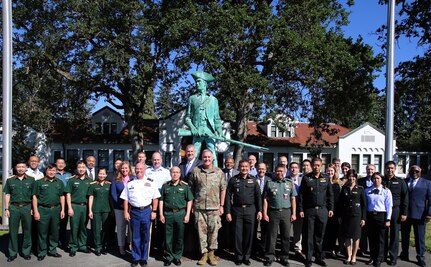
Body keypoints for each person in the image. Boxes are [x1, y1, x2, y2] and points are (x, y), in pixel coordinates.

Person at [189, 149, 226, 266]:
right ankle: (204, 254)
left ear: (213, 158)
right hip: (199, 207)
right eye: (205, 157)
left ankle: (212, 253)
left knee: (214, 231)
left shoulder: (219, 172)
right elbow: (190, 189)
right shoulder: (196, 171)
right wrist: (192, 205)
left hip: (214, 207)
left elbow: (223, 189)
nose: (207, 159)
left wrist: (222, 205)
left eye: (209, 157)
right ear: (202, 157)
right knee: (201, 232)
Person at [121, 163, 161, 267]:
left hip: (147, 211)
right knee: (135, 236)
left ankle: (143, 258)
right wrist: (126, 211)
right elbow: (125, 199)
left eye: (141, 168)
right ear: (135, 170)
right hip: (134, 211)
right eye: (137, 169)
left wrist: (154, 211)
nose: (139, 170)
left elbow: (155, 197)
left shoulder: (151, 182)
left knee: (146, 236)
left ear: (144, 170)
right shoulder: (130, 183)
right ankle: (135, 258)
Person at [225, 160, 262, 265]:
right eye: (242, 166)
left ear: (249, 168)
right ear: (239, 168)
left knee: (249, 235)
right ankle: (238, 256)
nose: (244, 168)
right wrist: (228, 212)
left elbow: (258, 196)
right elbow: (228, 197)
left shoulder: (254, 180)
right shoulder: (233, 180)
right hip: (237, 210)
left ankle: (246, 256)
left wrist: (259, 210)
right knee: (237, 235)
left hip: (251, 210)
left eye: (246, 166)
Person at [298, 157, 334, 267]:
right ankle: (308, 258)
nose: (316, 167)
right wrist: (301, 209)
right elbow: (301, 195)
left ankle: (318, 257)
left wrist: (331, 208)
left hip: (322, 210)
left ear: (321, 165)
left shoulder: (326, 178)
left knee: (320, 235)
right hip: (310, 210)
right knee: (309, 235)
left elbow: (330, 195)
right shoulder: (306, 178)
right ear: (312, 165)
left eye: (318, 165)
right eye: (314, 165)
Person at [184, 71, 224, 167]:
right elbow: (187, 118)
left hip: (209, 130)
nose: (197, 84)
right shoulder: (192, 99)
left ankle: (215, 172)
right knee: (194, 153)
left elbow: (217, 118)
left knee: (212, 153)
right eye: (196, 82)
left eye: (199, 82)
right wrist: (193, 128)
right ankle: (192, 173)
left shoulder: (213, 100)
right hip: (197, 130)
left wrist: (220, 132)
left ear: (205, 84)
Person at [263, 165, 297, 267]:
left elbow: (293, 199)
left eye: (282, 171)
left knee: (285, 236)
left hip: (286, 212)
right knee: (272, 236)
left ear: (285, 172)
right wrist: (264, 213)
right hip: (273, 212)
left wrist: (294, 213)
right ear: (275, 172)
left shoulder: (289, 183)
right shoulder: (270, 183)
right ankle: (269, 257)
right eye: (278, 171)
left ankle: (284, 257)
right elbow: (265, 199)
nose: (279, 173)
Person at [159, 166, 194, 266]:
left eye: (177, 172)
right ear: (170, 174)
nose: (175, 174)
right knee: (168, 237)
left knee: (179, 237)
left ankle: (177, 257)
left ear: (180, 174)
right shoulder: (165, 186)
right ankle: (169, 257)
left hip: (180, 214)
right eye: (173, 172)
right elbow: (161, 200)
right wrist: (161, 214)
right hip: (168, 214)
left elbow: (190, 200)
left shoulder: (184, 186)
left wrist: (187, 215)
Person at [32, 164, 65, 261]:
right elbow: (35, 197)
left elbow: (62, 196)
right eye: (49, 170)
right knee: (42, 231)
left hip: (56, 209)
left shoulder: (59, 182)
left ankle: (52, 250)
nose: (51, 172)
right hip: (43, 209)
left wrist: (63, 209)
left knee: (54, 231)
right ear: (46, 171)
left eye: (54, 170)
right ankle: (42, 251)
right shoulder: (39, 182)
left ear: (56, 171)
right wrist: (36, 211)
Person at [400, 165, 431, 267]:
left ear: (420, 172)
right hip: (405, 214)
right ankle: (404, 254)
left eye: (417, 171)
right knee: (405, 236)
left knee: (419, 238)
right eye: (412, 171)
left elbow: (430, 201)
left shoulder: (427, 183)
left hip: (420, 215)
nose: (414, 173)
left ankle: (420, 257)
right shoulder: (403, 182)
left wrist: (429, 214)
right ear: (409, 171)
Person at [4, 160, 35, 262]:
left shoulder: (31, 180)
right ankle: (12, 253)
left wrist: (33, 209)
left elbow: (33, 196)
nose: (21, 169)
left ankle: (26, 252)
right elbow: (7, 194)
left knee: (27, 230)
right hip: (14, 208)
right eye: (18, 167)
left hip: (27, 207)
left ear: (26, 168)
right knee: (13, 231)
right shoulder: (10, 180)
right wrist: (6, 208)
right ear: (15, 168)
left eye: (23, 167)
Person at [383, 161, 408, 266]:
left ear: (395, 169)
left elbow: (405, 197)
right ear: (385, 169)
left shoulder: (400, 181)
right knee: (383, 233)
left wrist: (404, 213)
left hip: (395, 210)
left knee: (394, 234)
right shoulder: (381, 180)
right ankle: (382, 255)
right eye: (388, 168)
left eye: (392, 168)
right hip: (383, 210)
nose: (390, 170)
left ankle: (393, 257)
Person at [339, 169, 366, 265]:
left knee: (356, 237)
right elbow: (341, 204)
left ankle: (354, 256)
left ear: (356, 177)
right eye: (350, 176)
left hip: (356, 216)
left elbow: (364, 205)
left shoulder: (360, 189)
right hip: (346, 216)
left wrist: (363, 218)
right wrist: (340, 216)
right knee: (347, 236)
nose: (351, 178)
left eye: (353, 176)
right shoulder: (344, 188)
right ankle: (349, 255)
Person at [65, 160, 92, 256]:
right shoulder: (72, 180)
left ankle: (82, 245)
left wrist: (90, 209)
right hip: (74, 206)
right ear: (77, 168)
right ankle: (73, 246)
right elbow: (68, 194)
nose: (81, 169)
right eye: (79, 167)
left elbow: (91, 196)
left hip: (85, 207)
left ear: (86, 168)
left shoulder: (89, 181)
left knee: (83, 227)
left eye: (83, 167)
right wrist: (69, 208)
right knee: (74, 227)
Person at [365, 172, 392, 267]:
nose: (376, 180)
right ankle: (372, 257)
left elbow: (389, 206)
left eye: (378, 178)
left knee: (380, 238)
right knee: (371, 238)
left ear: (381, 180)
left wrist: (388, 219)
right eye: (374, 178)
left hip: (381, 216)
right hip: (370, 216)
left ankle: (379, 258)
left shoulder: (386, 191)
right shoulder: (367, 190)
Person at [111, 160, 135, 255]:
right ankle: (121, 246)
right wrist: (121, 204)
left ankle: (130, 244)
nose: (124, 169)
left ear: (129, 169)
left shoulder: (133, 178)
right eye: (123, 168)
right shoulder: (116, 179)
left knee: (131, 228)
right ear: (120, 169)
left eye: (126, 168)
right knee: (121, 227)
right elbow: (113, 194)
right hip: (119, 207)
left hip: (132, 208)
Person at [88, 167, 112, 256]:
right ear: (97, 174)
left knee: (105, 229)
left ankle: (104, 246)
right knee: (96, 229)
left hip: (106, 210)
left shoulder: (109, 184)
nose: (101, 175)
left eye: (103, 174)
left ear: (106, 175)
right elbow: (91, 197)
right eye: (100, 174)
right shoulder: (93, 184)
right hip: (96, 209)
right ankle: (97, 247)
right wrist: (90, 210)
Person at [322, 163, 343, 259]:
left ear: (335, 172)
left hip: (335, 210)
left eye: (331, 171)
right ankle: (323, 249)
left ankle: (332, 249)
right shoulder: (323, 181)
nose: (330, 172)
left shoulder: (338, 184)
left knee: (333, 231)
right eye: (328, 171)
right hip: (324, 209)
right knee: (324, 230)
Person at [357, 164, 376, 256]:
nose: (370, 171)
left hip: (374, 210)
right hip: (363, 209)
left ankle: (374, 251)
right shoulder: (360, 181)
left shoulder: (379, 180)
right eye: (368, 169)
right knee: (363, 231)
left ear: (375, 170)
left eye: (372, 169)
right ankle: (363, 249)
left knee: (373, 232)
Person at [253, 162, 271, 257]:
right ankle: (254, 248)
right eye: (259, 168)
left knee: (265, 230)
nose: (261, 170)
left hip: (266, 209)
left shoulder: (269, 180)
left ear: (266, 170)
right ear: (256, 169)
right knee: (253, 229)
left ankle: (263, 249)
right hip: (253, 208)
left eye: (263, 169)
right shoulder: (252, 179)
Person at [288, 162, 305, 259]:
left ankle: (297, 249)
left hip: (299, 208)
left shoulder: (303, 180)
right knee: (286, 230)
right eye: (292, 167)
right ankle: (284, 248)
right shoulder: (286, 179)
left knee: (298, 230)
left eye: (296, 167)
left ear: (299, 169)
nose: (294, 169)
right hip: (288, 207)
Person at [55, 157, 73, 250]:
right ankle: (53, 242)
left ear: (65, 165)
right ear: (56, 164)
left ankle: (63, 242)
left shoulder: (69, 175)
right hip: (55, 201)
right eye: (59, 163)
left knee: (63, 223)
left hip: (65, 201)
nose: (61, 165)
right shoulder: (53, 174)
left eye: (62, 163)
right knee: (54, 223)